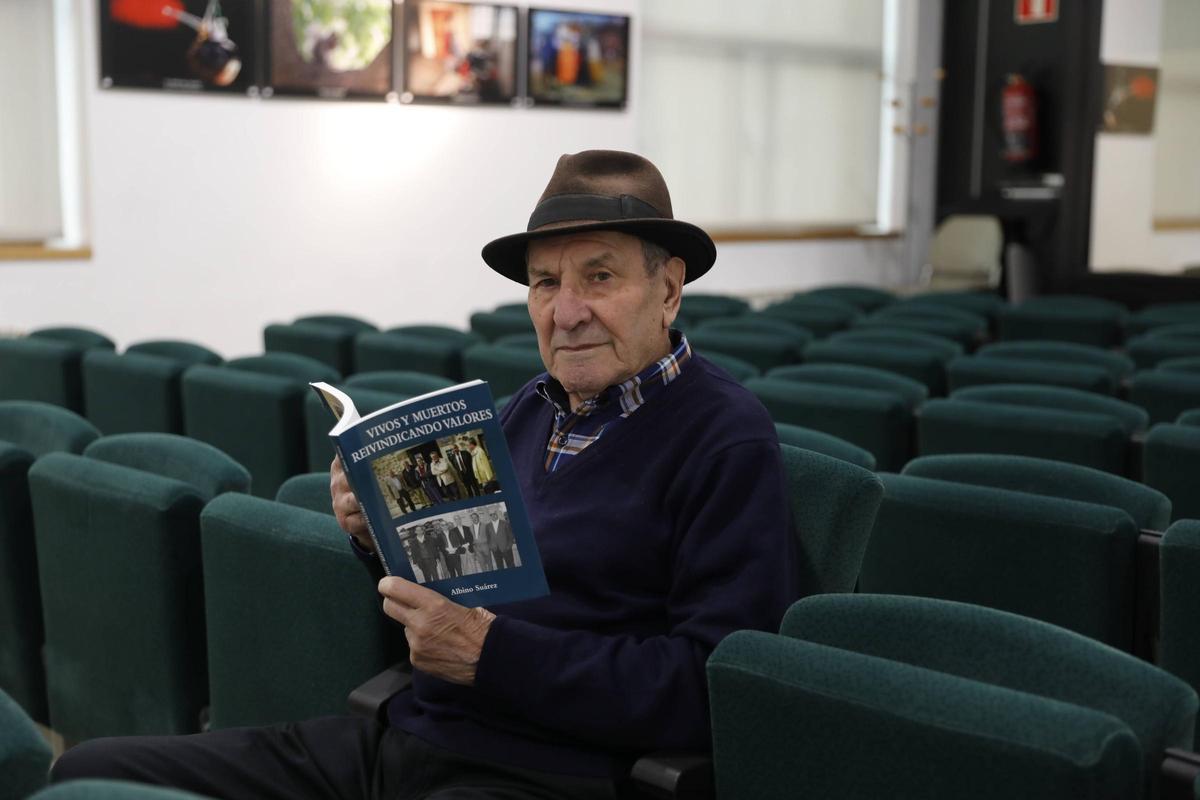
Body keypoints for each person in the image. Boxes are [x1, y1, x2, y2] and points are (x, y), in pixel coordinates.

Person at [51, 150, 798, 799]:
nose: (565, 311)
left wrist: (492, 654)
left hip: (544, 773)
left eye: (598, 277)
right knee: (92, 774)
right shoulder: (525, 411)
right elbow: (468, 585)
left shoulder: (725, 437)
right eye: (543, 284)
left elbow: (710, 685)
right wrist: (379, 535)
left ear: (668, 289)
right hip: (402, 734)